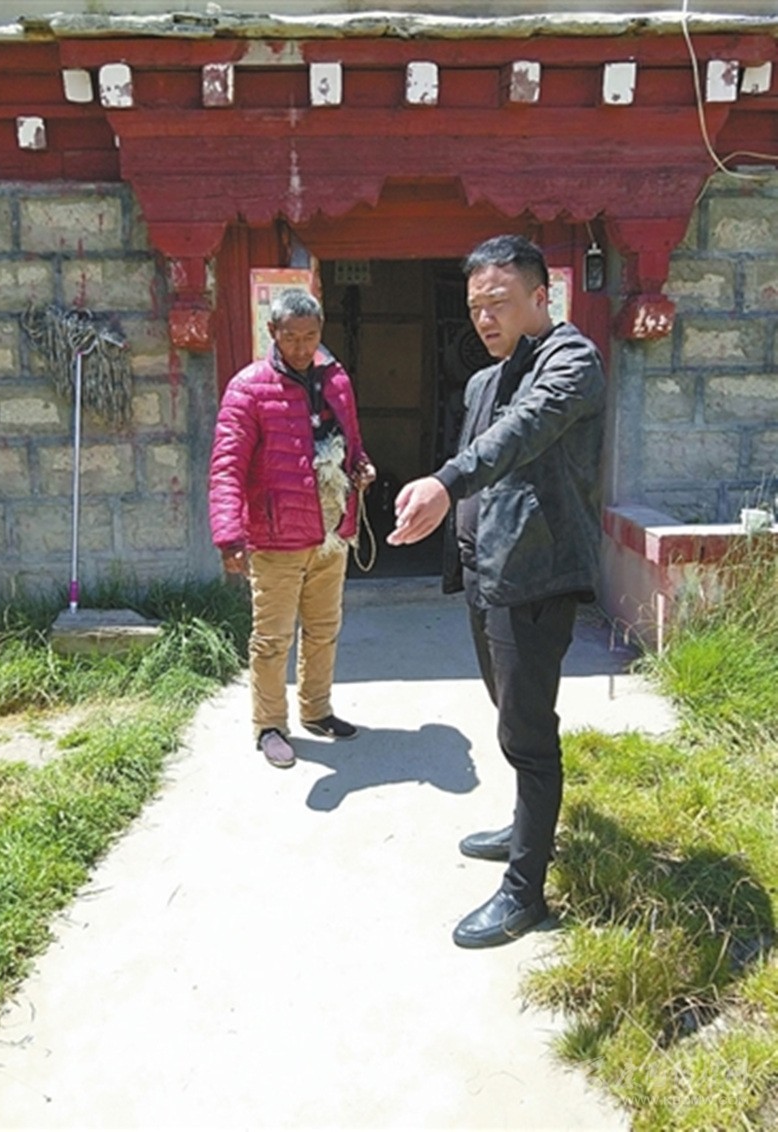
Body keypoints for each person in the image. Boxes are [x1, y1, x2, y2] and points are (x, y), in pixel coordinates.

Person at [388, 235, 605, 947]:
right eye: (475, 305)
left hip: (537, 572)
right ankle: (526, 826)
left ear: (542, 297)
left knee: (529, 732)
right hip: (487, 571)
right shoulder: (484, 380)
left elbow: (520, 433)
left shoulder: (570, 362)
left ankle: (525, 892)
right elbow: (480, 454)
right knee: (510, 714)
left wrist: (444, 484)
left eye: (500, 303)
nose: (484, 318)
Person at [209, 288, 375, 769]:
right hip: (275, 536)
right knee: (272, 639)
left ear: (321, 331)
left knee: (324, 630)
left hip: (331, 532)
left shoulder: (337, 380)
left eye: (310, 336)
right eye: (291, 337)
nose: (302, 347)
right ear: (272, 332)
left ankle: (317, 711)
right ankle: (269, 726)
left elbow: (350, 442)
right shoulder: (248, 388)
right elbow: (226, 468)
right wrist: (229, 536)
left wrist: (361, 467)